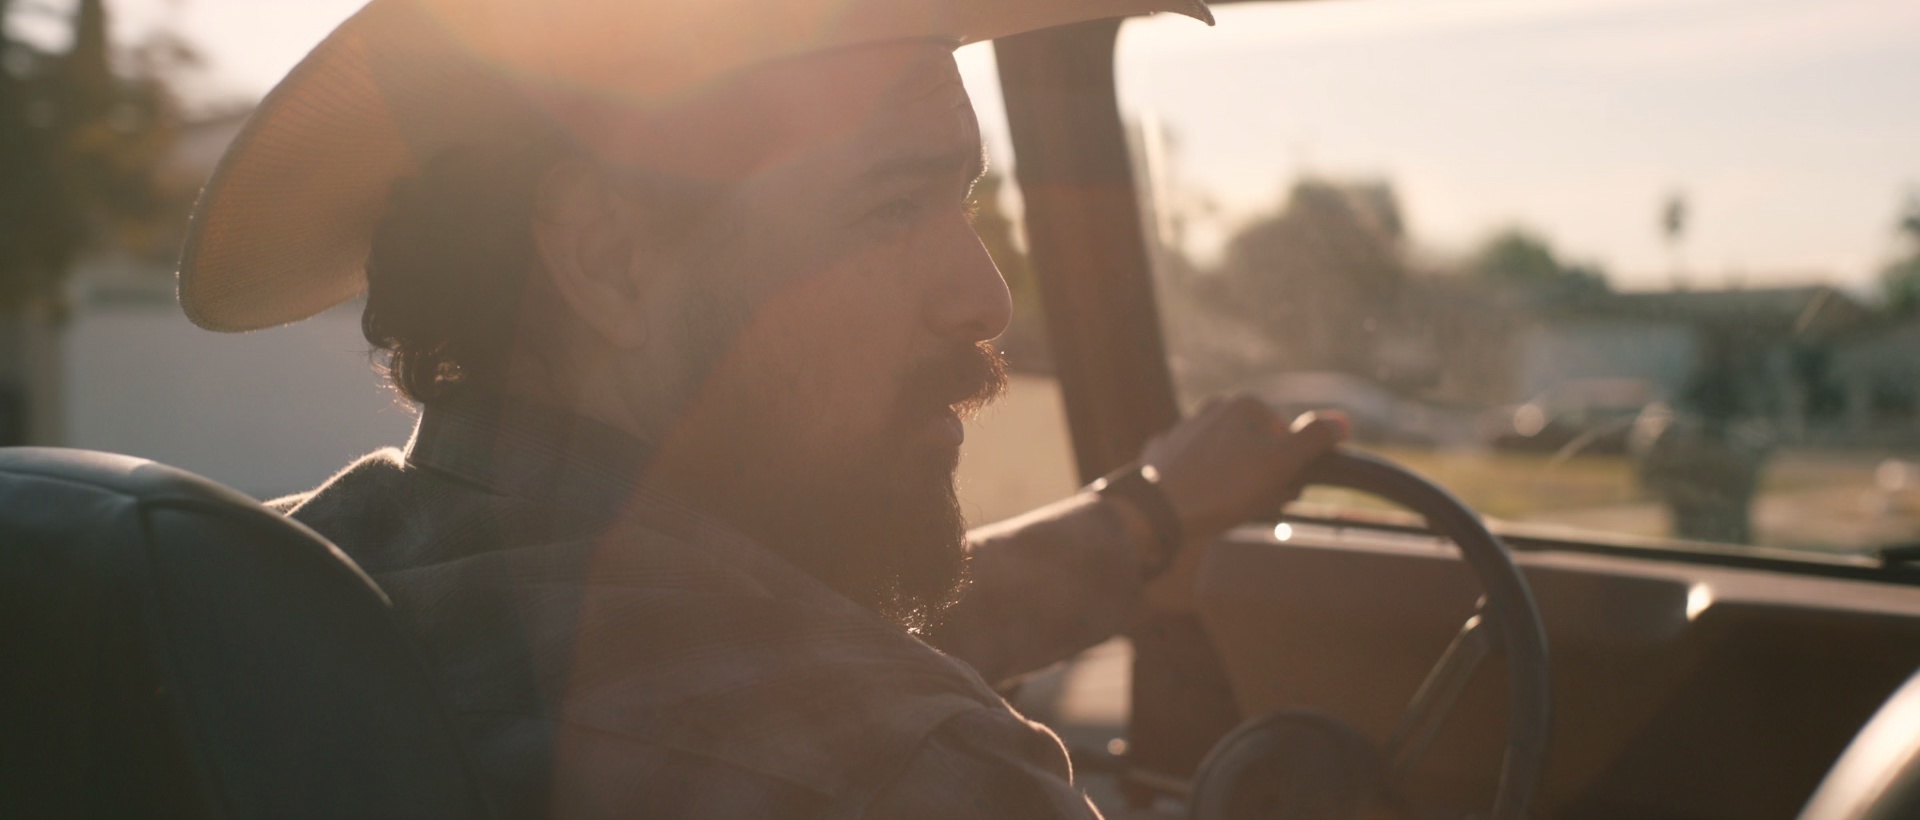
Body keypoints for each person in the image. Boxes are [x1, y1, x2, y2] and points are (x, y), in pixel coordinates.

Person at [176, 0, 1346, 815]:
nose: (986, 298)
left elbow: (717, 652)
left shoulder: (215, 612)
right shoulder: (917, 779)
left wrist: (1138, 523)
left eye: (962, 203)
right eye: (892, 207)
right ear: (609, 257)